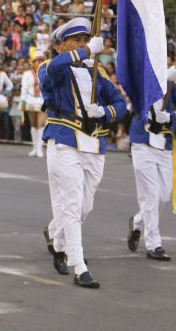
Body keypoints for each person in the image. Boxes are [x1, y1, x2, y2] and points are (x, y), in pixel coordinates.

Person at [42, 17, 126, 288]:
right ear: (59, 46)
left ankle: (56, 238)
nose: (82, 44)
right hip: (65, 140)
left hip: (94, 145)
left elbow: (120, 104)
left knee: (84, 207)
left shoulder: (97, 73)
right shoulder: (50, 67)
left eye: (84, 40)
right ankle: (78, 265)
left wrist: (104, 112)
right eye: (76, 40)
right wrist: (87, 51)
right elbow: (56, 67)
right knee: (72, 203)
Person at [126, 66, 176, 261]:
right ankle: (154, 244)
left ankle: (138, 221)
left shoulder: (172, 82)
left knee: (163, 196)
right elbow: (138, 98)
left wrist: (172, 116)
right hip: (143, 141)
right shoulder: (140, 79)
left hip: (164, 143)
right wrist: (162, 82)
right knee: (151, 195)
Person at [21, 50, 47, 158]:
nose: (39, 62)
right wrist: (23, 102)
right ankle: (34, 147)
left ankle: (40, 148)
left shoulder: (47, 72)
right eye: (37, 60)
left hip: (42, 100)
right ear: (33, 62)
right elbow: (24, 88)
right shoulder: (27, 74)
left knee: (41, 124)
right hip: (31, 100)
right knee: (33, 125)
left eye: (41, 60)